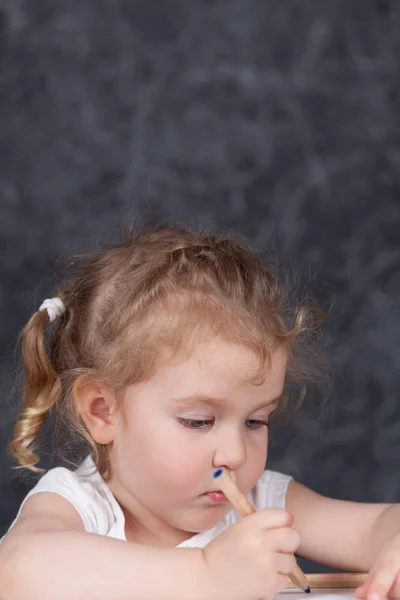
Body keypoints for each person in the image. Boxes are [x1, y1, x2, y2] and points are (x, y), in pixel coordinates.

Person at [0, 223, 399, 600]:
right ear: (103, 411)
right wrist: (207, 573)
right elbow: (16, 571)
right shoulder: (81, 506)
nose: (235, 454)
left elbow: (374, 529)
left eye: (255, 421)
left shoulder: (260, 500)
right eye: (199, 421)